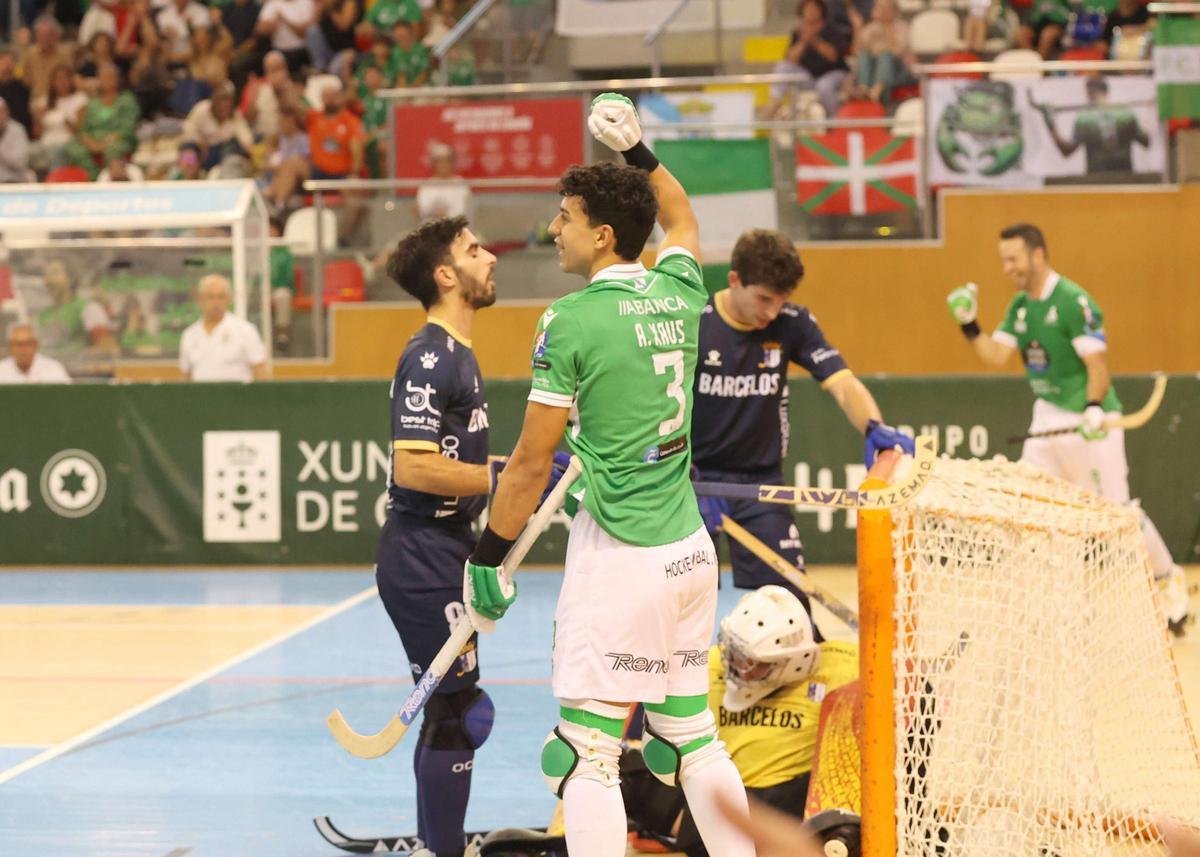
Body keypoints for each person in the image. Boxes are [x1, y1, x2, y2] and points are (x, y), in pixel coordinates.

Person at [462, 93, 755, 857]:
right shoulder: (682, 290)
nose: (551, 228)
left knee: (586, 750)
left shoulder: (572, 320)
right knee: (692, 738)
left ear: (600, 233)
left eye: (563, 216)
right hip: (690, 550)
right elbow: (684, 219)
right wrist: (640, 151)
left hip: (621, 554)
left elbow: (528, 464)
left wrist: (488, 557)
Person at [946, 223, 1191, 635]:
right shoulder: (1020, 307)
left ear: (1038, 255)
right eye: (1003, 260)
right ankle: (1069, 608)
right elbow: (996, 355)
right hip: (1047, 419)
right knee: (1031, 508)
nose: (1007, 268)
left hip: (1090, 423)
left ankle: (1169, 582)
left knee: (1120, 516)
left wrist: (1094, 407)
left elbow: (1098, 365)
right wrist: (970, 324)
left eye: (1014, 259)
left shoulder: (1075, 301)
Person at [691, 227, 911, 628]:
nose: (772, 312)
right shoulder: (694, 323)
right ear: (734, 279)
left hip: (760, 484)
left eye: (781, 301)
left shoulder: (792, 323)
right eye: (763, 299)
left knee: (792, 612)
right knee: (680, 600)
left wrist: (874, 426)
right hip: (693, 483)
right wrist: (681, 474)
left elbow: (842, 384)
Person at [374, 216, 504, 857]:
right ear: (446, 275)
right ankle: (442, 849)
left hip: (451, 546)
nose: (491, 257)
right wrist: (501, 476)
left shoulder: (460, 353)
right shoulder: (430, 355)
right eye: (474, 250)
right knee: (461, 711)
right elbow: (413, 464)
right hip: (422, 551)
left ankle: (435, 843)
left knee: (454, 709)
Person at [621, 585, 858, 856]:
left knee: (844, 826)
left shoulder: (843, 667)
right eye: (734, 655)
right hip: (714, 797)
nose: (739, 670)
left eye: (754, 663)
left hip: (788, 806)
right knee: (617, 768)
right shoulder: (709, 666)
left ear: (795, 660)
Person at [1033, 77, 1150, 175]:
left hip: (1096, 179)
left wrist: (1051, 125)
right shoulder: (1126, 113)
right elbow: (1146, 142)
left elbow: (1067, 151)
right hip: (1126, 178)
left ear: (1089, 93)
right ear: (1106, 91)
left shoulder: (1085, 118)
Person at [768, 0, 850, 120]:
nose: (810, 12)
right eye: (807, 8)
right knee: (783, 66)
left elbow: (833, 57)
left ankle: (834, 121)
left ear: (820, 10)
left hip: (832, 73)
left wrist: (815, 41)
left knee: (824, 86)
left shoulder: (831, 29)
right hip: (809, 77)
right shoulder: (798, 33)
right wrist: (803, 41)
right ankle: (775, 101)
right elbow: (790, 59)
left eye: (814, 8)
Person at [179, 273, 269, 382]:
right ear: (200, 300)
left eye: (220, 296)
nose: (215, 302)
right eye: (210, 297)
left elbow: (261, 372)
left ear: (228, 299)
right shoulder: (189, 335)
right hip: (201, 398)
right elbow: (186, 376)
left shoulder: (246, 330)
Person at [844, 0, 914, 106]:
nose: (882, 10)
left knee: (886, 56)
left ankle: (876, 90)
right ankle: (863, 89)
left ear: (893, 10)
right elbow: (856, 51)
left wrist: (886, 28)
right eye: (879, 7)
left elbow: (897, 52)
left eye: (885, 8)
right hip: (874, 72)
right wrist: (858, 27)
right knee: (864, 56)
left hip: (900, 72)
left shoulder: (902, 27)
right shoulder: (871, 27)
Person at [19, 17, 76, 103]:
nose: (43, 39)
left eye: (47, 35)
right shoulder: (29, 53)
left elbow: (71, 76)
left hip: (59, 100)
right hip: (37, 100)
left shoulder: (65, 54)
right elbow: (20, 73)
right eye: (40, 35)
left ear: (55, 35)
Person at [0, 323, 72, 384]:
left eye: (27, 343)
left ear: (36, 345)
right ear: (9, 346)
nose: (22, 349)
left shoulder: (54, 369)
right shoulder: (1, 370)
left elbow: (67, 397)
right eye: (18, 344)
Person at [0, 97, 32, 182]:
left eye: (0, 112)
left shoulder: (18, 130)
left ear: (7, 112)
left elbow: (20, 163)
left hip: (14, 181)